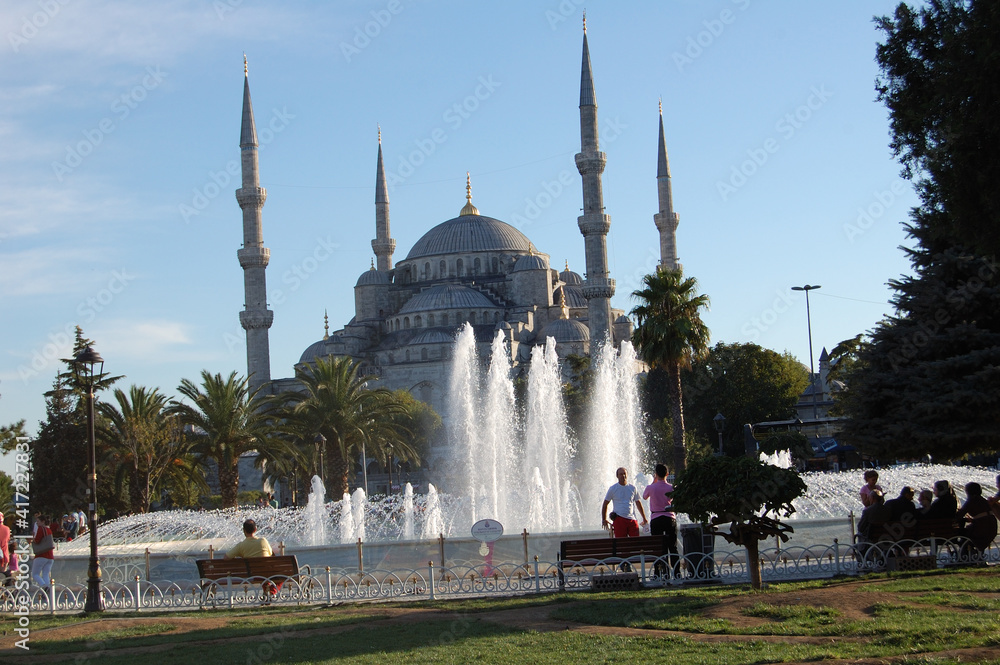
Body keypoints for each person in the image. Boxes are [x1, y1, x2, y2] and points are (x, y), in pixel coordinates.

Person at [642, 463, 679, 579]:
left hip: (656, 518)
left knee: (658, 547)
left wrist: (654, 482)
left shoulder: (651, 488)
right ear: (667, 474)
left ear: (656, 474)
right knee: (672, 546)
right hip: (669, 518)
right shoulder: (671, 487)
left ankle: (659, 572)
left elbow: (644, 496)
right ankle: (676, 572)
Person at [601, 467, 648, 538]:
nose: (623, 476)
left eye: (624, 474)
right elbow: (605, 504)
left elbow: (638, 503)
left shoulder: (632, 488)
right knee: (621, 543)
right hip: (619, 519)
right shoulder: (613, 489)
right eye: (620, 474)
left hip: (632, 519)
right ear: (617, 476)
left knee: (635, 542)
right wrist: (604, 519)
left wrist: (644, 518)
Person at [956, 482, 998, 556]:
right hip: (992, 527)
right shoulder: (984, 500)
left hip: (981, 528)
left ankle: (964, 556)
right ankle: (974, 555)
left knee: (964, 535)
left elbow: (959, 515)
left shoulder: (971, 501)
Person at [31, 514, 55, 589]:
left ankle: (44, 587)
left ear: (43, 521)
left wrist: (32, 538)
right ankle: (48, 590)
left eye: (38, 521)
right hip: (50, 557)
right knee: (45, 574)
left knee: (35, 574)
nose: (37, 523)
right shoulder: (49, 530)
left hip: (41, 555)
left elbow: (37, 540)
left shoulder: (41, 529)